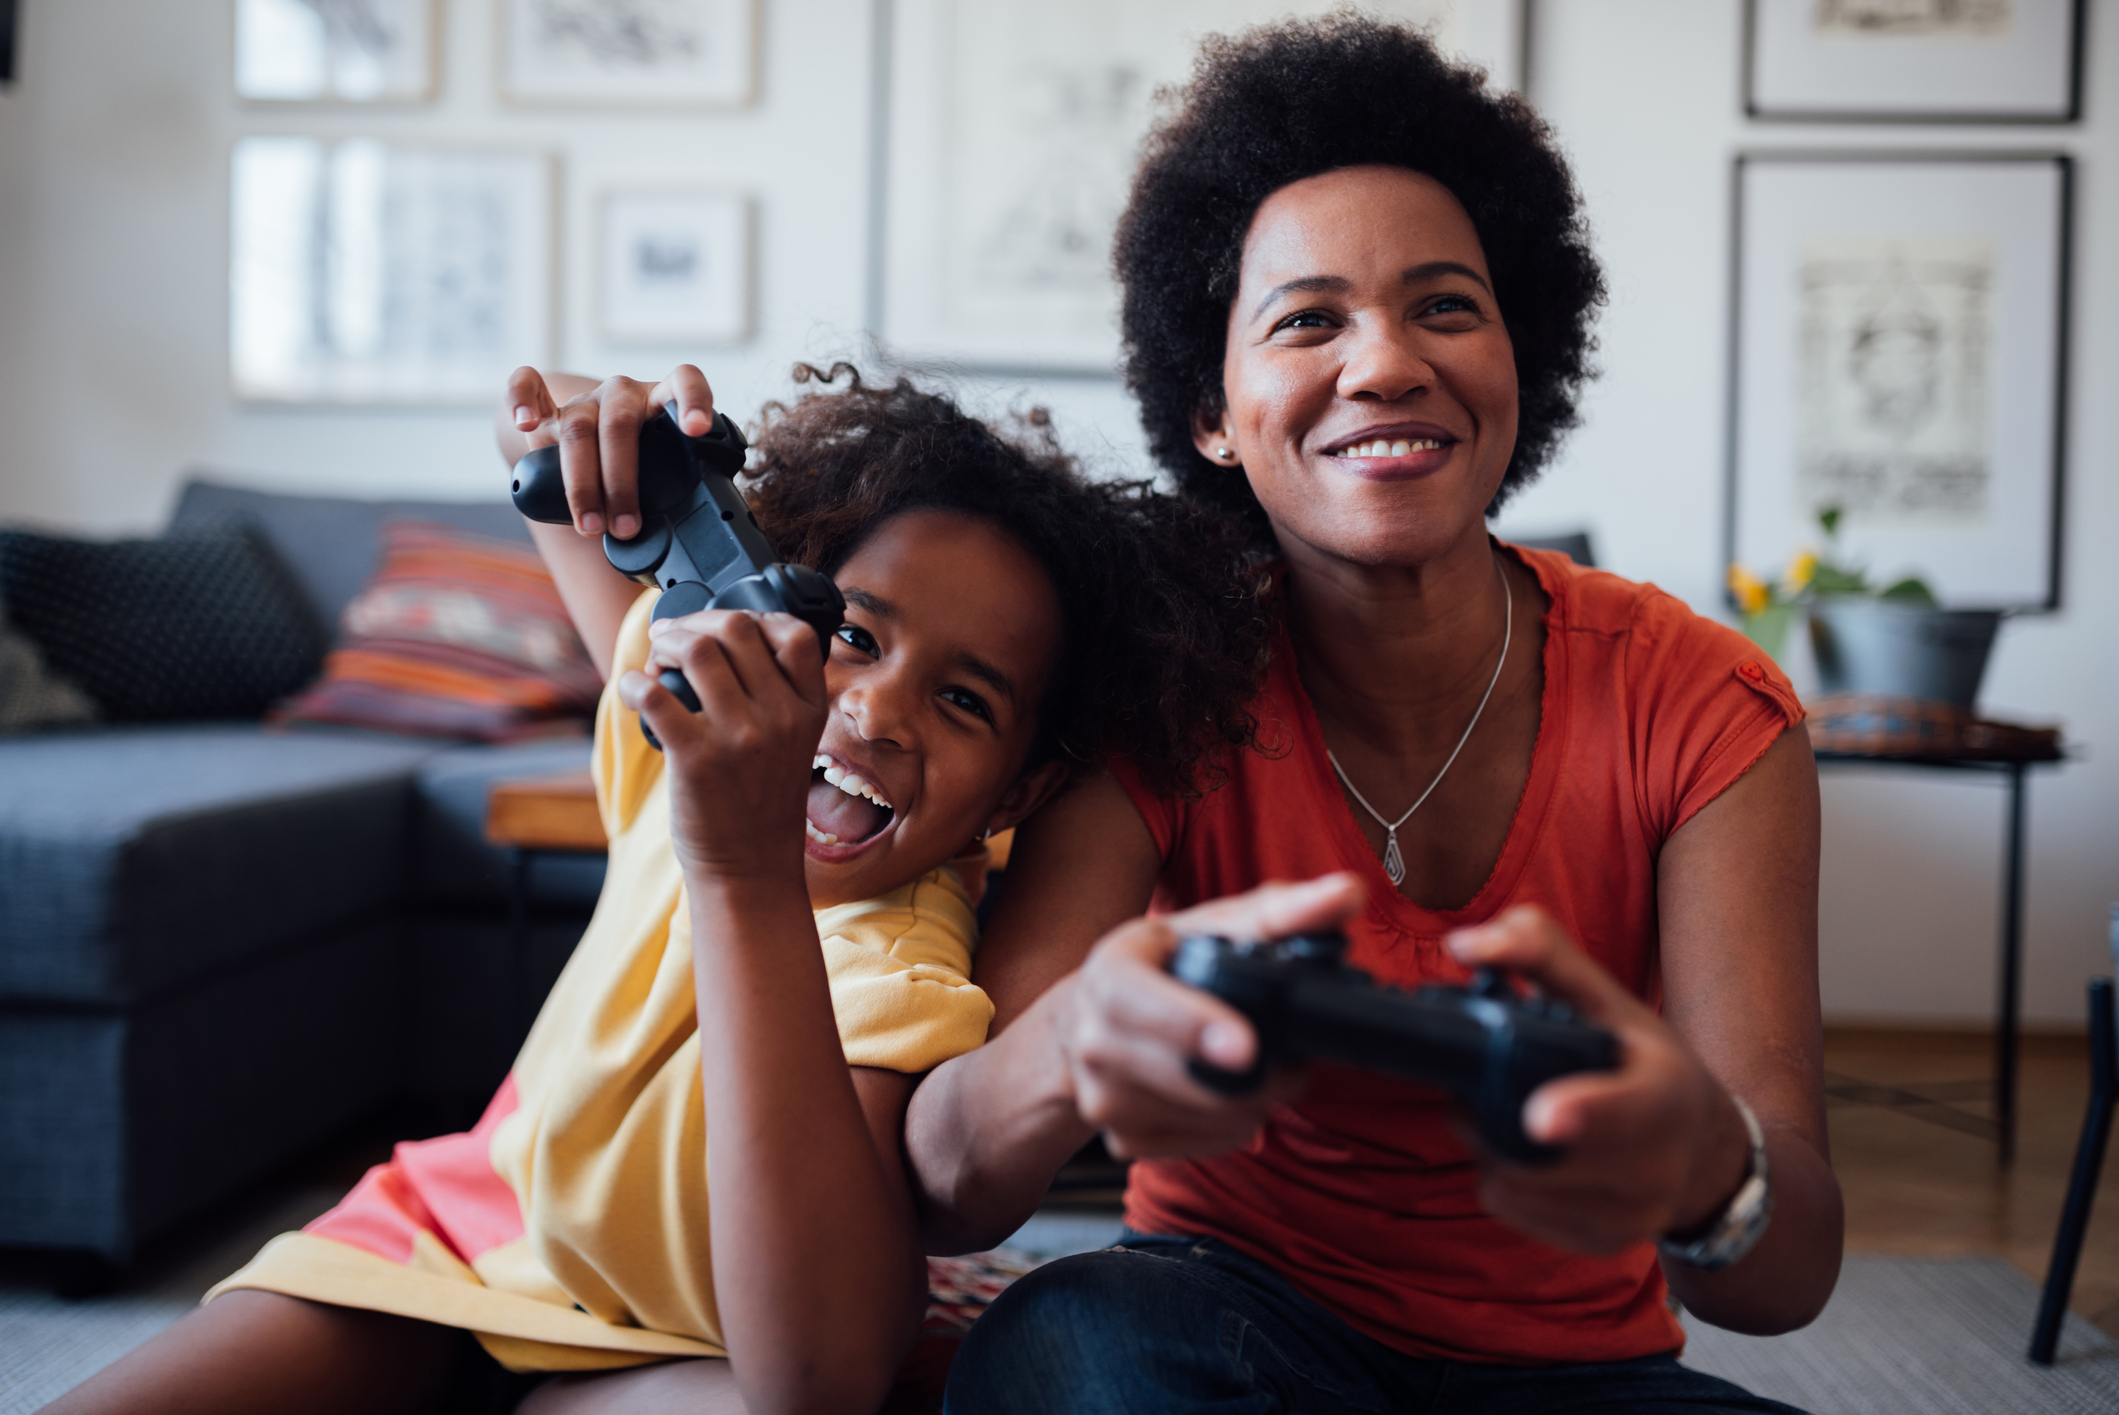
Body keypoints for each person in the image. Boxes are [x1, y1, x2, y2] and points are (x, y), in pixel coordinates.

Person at [905, 16, 1844, 1413]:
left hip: (1575, 1376)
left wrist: (1707, 1166)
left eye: (1444, 305)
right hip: (1217, 1323)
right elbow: (949, 1182)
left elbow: (1781, 1277)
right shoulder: (1162, 684)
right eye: (1305, 319)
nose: (1386, 362)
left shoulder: (1702, 707)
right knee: (1062, 1336)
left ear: (1519, 361)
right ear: (1212, 411)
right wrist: (1067, 1036)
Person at [39, 365, 1260, 1415]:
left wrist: (738, 868)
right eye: (852, 632)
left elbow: (817, 1373)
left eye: (963, 700)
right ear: (756, 614)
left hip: (678, 1342)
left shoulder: (902, 975)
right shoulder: (684, 725)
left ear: (1011, 796)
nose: (878, 709)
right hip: (454, 1236)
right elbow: (539, 425)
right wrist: (630, 436)